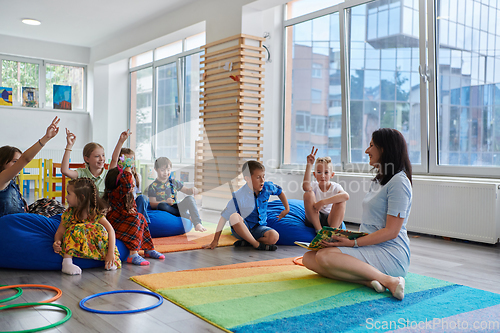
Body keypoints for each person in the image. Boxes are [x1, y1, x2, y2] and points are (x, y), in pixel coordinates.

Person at [302, 128, 412, 300]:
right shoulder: (379, 180)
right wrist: (348, 240)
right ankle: (367, 280)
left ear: (384, 149)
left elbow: (392, 231)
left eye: (371, 145)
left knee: (324, 257)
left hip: (391, 252)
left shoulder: (400, 182)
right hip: (369, 245)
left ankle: (390, 280)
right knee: (308, 258)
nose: (367, 150)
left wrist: (353, 243)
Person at [203, 160, 290, 251]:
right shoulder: (239, 196)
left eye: (263, 177)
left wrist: (286, 209)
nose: (262, 180)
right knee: (234, 217)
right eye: (258, 177)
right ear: (247, 179)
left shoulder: (267, 187)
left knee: (274, 237)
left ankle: (248, 242)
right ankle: (256, 244)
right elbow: (223, 217)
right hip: (242, 229)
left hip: (259, 228)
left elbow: (280, 192)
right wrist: (215, 241)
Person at [53, 178, 121, 275]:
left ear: (81, 197)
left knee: (101, 230)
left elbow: (110, 230)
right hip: (78, 245)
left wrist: (110, 253)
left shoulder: (94, 213)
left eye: (69, 194)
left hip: (93, 245)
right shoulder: (69, 214)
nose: (66, 197)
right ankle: (67, 262)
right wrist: (57, 241)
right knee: (74, 229)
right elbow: (60, 231)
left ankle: (109, 261)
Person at [104, 156, 164, 266]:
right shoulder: (114, 193)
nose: (132, 186)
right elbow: (126, 185)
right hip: (115, 224)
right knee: (138, 217)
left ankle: (148, 249)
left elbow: (133, 207)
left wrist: (132, 211)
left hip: (125, 221)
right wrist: (127, 169)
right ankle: (133, 254)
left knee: (141, 217)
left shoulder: (128, 195)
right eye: (130, 184)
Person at [0, 117, 65, 218]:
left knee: (51, 204)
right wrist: (46, 138)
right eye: (15, 162)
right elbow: (25, 159)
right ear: (2, 162)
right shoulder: (2, 179)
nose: (18, 165)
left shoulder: (11, 181)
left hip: (20, 216)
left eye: (18, 162)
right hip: (10, 224)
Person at [147, 157, 206, 232]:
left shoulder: (174, 182)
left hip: (176, 207)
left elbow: (187, 191)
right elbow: (152, 204)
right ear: (156, 169)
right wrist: (165, 201)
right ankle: (187, 216)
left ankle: (197, 223)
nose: (165, 172)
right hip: (164, 208)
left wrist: (192, 189)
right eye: (162, 170)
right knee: (162, 205)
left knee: (190, 199)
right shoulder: (153, 186)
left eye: (168, 170)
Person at [107, 130, 150, 226]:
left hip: (133, 204)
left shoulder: (137, 176)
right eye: (126, 160)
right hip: (121, 204)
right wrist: (121, 141)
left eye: (131, 160)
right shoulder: (116, 173)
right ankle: (135, 221)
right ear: (120, 161)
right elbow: (114, 159)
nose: (129, 163)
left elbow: (136, 194)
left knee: (143, 198)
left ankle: (144, 222)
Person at [302, 148, 349, 232]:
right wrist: (309, 165)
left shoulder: (335, 186)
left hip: (331, 220)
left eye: (326, 173)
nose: (322, 176)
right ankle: (318, 230)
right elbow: (305, 187)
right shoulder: (313, 185)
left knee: (341, 200)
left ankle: (331, 233)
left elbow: (346, 196)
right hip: (315, 218)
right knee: (307, 194)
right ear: (315, 174)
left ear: (332, 175)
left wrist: (322, 202)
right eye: (319, 172)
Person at [62, 128, 113, 197]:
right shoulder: (81, 173)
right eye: (97, 156)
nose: (102, 159)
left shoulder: (108, 175)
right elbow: (65, 171)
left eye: (103, 155)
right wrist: (69, 146)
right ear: (87, 159)